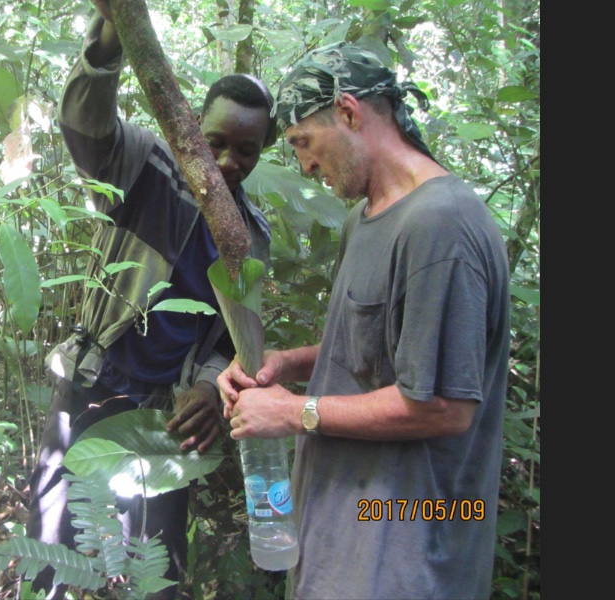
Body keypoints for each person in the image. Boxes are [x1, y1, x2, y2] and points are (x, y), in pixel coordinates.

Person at [217, 42, 510, 599]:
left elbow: (444, 406)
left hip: (402, 554)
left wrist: (293, 412)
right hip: (339, 537)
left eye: (304, 142)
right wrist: (288, 365)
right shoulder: (366, 218)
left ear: (349, 113)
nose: (303, 164)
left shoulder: (440, 225)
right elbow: (368, 349)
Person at [25, 0, 277, 598]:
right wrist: (109, 31)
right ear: (192, 123)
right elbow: (86, 128)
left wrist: (206, 388)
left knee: (157, 565)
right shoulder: (148, 164)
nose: (227, 162)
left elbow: (230, 334)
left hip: (165, 411)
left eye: (245, 151)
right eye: (216, 141)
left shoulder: (250, 236)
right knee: (48, 544)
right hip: (92, 381)